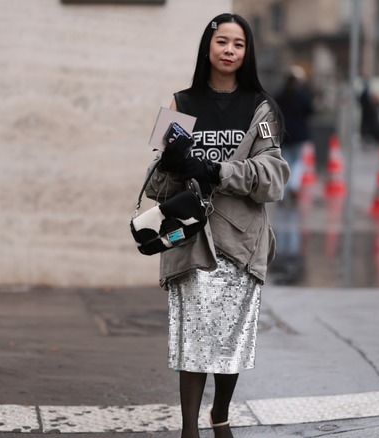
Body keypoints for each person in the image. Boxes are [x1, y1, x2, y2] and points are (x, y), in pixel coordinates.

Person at [142, 13, 289, 438]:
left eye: (238, 44)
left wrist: (216, 169)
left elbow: (273, 176)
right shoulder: (179, 103)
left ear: (247, 52)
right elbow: (157, 185)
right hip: (190, 237)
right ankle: (190, 428)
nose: (229, 50)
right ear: (208, 46)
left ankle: (219, 414)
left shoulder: (261, 106)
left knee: (231, 339)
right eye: (222, 41)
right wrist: (172, 162)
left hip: (241, 241)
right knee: (192, 339)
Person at [274, 65, 313, 198]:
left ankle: (285, 190)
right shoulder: (302, 95)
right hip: (299, 135)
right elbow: (310, 110)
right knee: (297, 162)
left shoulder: (279, 95)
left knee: (285, 162)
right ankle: (294, 186)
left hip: (284, 134)